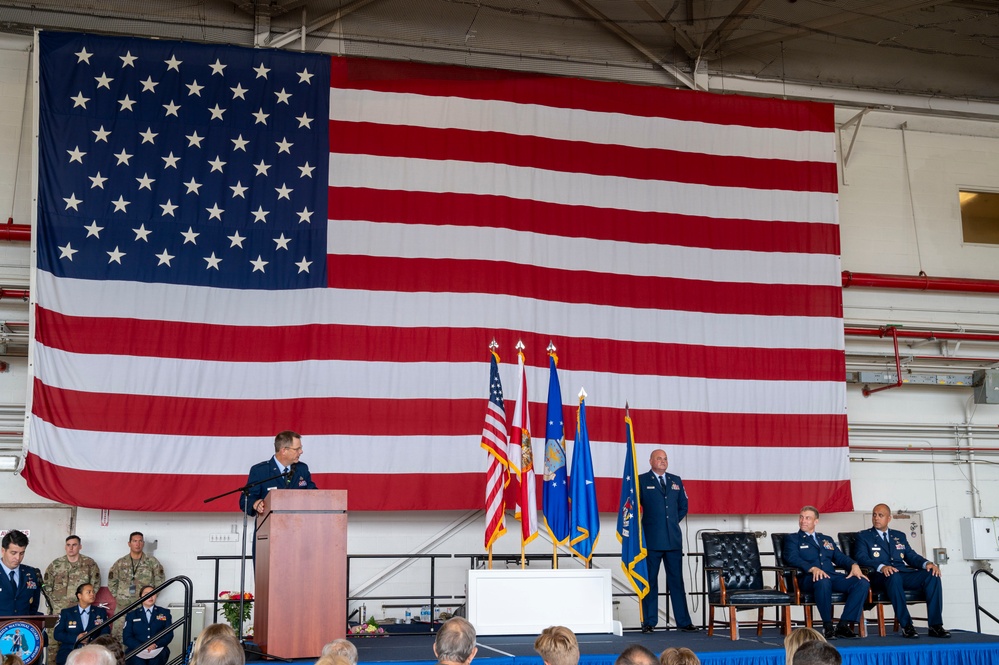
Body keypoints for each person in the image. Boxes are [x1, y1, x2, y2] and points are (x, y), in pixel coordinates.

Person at [852, 503, 950, 639]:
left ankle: (935, 625)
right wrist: (881, 566)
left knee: (932, 575)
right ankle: (907, 625)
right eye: (874, 515)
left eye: (880, 515)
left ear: (889, 518)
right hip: (879, 576)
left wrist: (927, 563)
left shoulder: (899, 536)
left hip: (902, 573)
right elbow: (861, 558)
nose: (876, 518)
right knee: (894, 575)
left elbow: (911, 556)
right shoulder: (863, 536)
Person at [782, 506, 870, 640]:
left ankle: (843, 624)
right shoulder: (793, 539)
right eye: (801, 517)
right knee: (823, 581)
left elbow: (839, 557)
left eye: (807, 518)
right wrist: (812, 568)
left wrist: (854, 564)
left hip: (831, 575)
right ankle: (828, 625)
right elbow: (792, 558)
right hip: (808, 578)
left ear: (816, 521)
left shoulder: (826, 539)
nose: (803, 521)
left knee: (862, 582)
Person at [637, 449, 696, 632]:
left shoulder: (675, 480)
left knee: (677, 582)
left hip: (673, 541)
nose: (662, 461)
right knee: (650, 582)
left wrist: (668, 522)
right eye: (659, 458)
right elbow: (631, 506)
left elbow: (683, 506)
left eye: (665, 459)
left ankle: (684, 622)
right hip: (651, 541)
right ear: (650, 460)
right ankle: (649, 622)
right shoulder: (641, 480)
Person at [46, 536, 103, 665]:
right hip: (59, 611)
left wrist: (84, 600)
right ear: (65, 546)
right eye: (68, 545)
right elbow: (46, 585)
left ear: (80, 546)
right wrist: (56, 601)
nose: (71, 548)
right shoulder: (56, 564)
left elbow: (95, 585)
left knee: (82, 646)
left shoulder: (89, 564)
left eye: (74, 545)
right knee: (54, 647)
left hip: (81, 610)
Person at [240, 431, 317, 517]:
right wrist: (255, 503)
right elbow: (245, 501)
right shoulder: (260, 471)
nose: (301, 451)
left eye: (301, 448)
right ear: (283, 450)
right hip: (269, 526)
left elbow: (314, 494)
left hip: (299, 524)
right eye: (297, 449)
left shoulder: (302, 468)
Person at [107, 533, 165, 638]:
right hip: (123, 607)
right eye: (134, 541)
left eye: (140, 541)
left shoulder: (152, 562)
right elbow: (112, 581)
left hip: (143, 607)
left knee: (143, 635)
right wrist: (119, 596)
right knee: (119, 636)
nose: (137, 544)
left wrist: (150, 598)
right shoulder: (120, 563)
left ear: (143, 543)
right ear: (129, 544)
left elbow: (160, 582)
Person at [54, 584, 110, 665]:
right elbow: (57, 634)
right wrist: (77, 638)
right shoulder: (66, 613)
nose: (92, 594)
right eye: (89, 592)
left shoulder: (100, 612)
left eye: (93, 592)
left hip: (94, 652)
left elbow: (106, 632)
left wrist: (92, 642)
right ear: (79, 595)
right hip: (69, 651)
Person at [122, 586, 173, 665]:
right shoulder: (132, 615)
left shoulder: (165, 612)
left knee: (155, 661)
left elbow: (169, 634)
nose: (150, 596)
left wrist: (156, 644)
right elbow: (127, 637)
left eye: (153, 594)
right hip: (137, 649)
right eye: (146, 594)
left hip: (158, 649)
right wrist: (142, 646)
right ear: (140, 598)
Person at [0, 530, 43, 616]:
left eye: (21, 553)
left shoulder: (32, 573)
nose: (17, 558)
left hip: (24, 627)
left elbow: (34, 607)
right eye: (13, 553)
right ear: (3, 551)